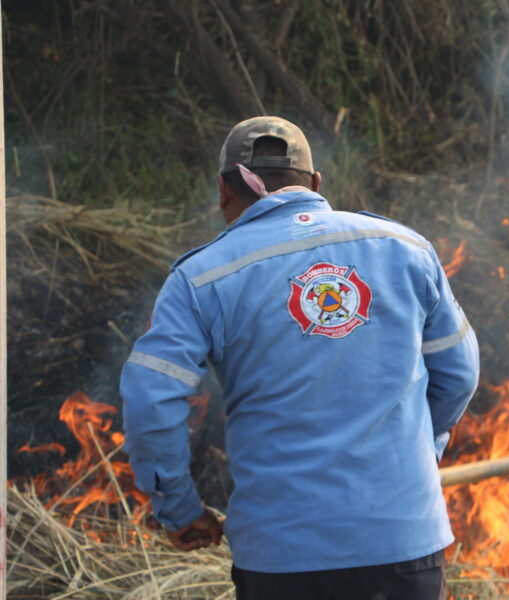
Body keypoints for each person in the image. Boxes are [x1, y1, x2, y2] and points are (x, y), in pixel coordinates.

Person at [120, 116, 480, 600]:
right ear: (314, 184)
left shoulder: (201, 278)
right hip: (403, 543)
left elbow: (150, 400)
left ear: (224, 192)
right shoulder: (406, 248)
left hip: (281, 558)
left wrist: (181, 510)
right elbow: (458, 375)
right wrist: (416, 450)